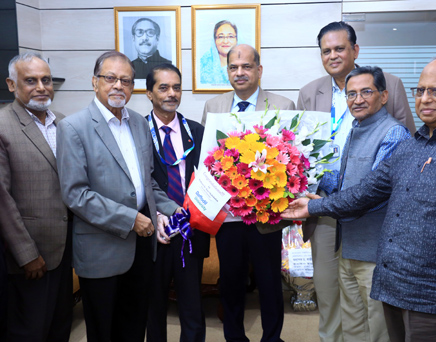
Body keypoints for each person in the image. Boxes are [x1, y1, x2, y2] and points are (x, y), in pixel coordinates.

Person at [283, 55, 436, 342]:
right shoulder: (411, 147)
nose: (424, 99)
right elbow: (364, 194)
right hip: (394, 288)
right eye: (420, 90)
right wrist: (312, 205)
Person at [296, 21, 415, 342]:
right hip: (323, 209)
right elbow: (300, 152)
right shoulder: (309, 93)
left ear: (355, 50)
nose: (333, 55)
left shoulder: (388, 85)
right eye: (326, 50)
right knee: (333, 294)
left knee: (374, 307)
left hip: (373, 219)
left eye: (340, 48)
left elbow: (402, 157)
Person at [56, 51, 179, 342]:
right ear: (94, 82)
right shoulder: (73, 127)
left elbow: (147, 181)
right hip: (101, 251)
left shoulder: (138, 122)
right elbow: (76, 194)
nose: (118, 86)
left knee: (135, 327)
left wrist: (177, 210)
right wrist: (131, 219)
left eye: (125, 80)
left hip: (141, 250)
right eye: (110, 78)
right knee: (104, 332)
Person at [202, 44, 295, 342]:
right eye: (233, 67)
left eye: (246, 66)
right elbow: (208, 160)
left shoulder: (283, 104)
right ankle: (234, 337)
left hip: (267, 214)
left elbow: (293, 160)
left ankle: (272, 338)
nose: (239, 72)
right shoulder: (213, 107)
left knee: (269, 282)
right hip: (228, 214)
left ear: (259, 70)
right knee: (230, 280)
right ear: (227, 71)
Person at [318, 66, 410, 341]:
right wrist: (305, 174)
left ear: (383, 96)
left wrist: (315, 206)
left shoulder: (393, 134)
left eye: (366, 92)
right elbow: (345, 182)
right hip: (348, 246)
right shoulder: (356, 129)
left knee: (378, 327)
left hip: (375, 252)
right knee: (353, 324)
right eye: (351, 94)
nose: (357, 100)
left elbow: (370, 194)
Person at [0, 52, 73, 342]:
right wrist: (26, 255)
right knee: (29, 332)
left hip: (65, 250)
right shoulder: (3, 125)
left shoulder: (64, 123)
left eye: (46, 80)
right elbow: (2, 198)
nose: (41, 87)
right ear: (11, 84)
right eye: (30, 81)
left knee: (60, 326)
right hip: (30, 258)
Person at [145, 63, 210, 342]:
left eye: (176, 87)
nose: (171, 93)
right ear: (149, 93)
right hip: (152, 230)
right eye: (163, 87)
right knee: (153, 306)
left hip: (191, 230)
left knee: (192, 306)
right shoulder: (136, 130)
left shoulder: (197, 130)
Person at [199, 20, 238, 86]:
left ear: (237, 40)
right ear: (215, 40)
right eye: (221, 37)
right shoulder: (203, 66)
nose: (225, 41)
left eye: (230, 36)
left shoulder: (244, 67)